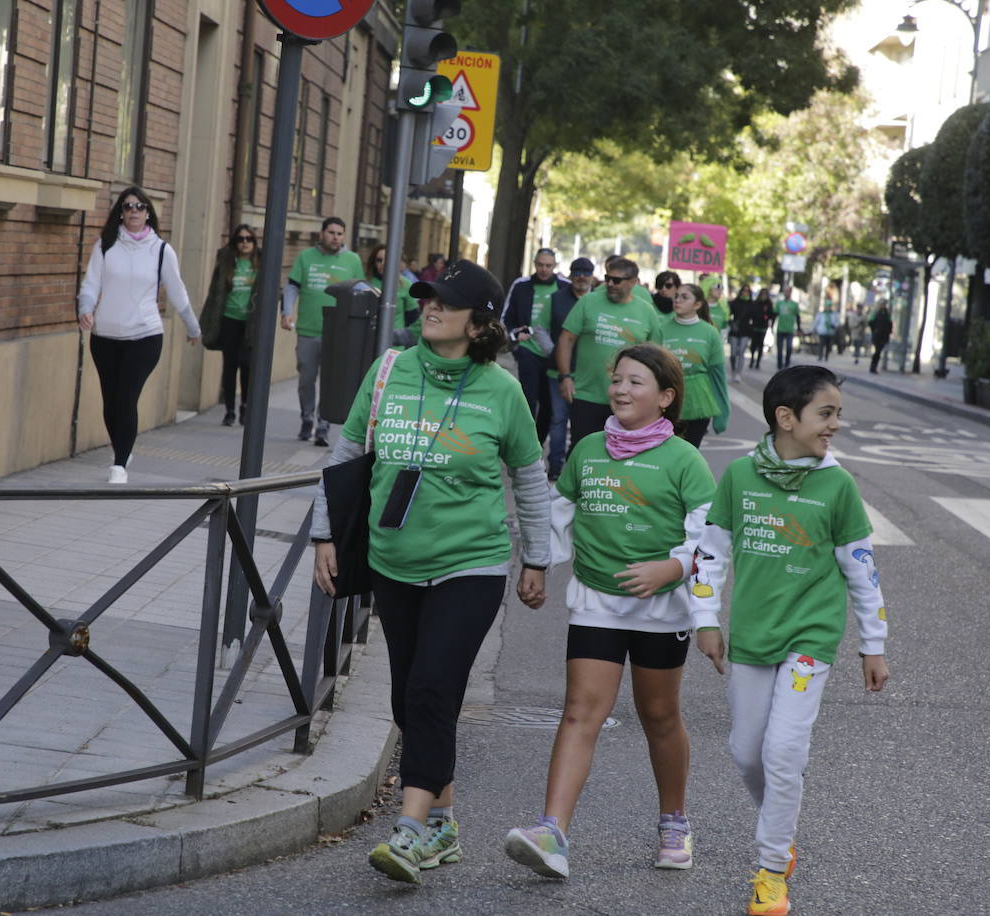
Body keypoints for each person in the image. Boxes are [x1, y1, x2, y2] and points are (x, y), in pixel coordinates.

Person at [310, 259, 551, 886]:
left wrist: (538, 557)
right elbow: (347, 452)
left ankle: (410, 831)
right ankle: (443, 823)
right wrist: (323, 534)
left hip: (469, 562)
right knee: (405, 694)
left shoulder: (501, 388)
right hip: (394, 559)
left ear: (481, 324)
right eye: (426, 299)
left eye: (445, 302)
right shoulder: (390, 368)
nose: (429, 307)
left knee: (433, 690)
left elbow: (528, 474)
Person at [504, 343, 716, 880]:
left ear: (666, 398)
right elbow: (559, 515)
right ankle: (551, 831)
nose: (621, 389)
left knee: (659, 716)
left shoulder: (686, 460)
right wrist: (538, 564)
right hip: (596, 602)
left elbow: (711, 541)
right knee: (579, 712)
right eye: (617, 379)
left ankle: (673, 821)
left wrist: (671, 570)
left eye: (636, 382)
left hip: (660, 611)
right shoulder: (589, 449)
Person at [689, 365, 889, 916]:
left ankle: (772, 869)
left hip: (812, 637)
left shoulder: (838, 484)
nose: (836, 425)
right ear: (785, 418)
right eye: (826, 414)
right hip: (753, 636)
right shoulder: (739, 477)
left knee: (782, 751)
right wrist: (705, 618)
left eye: (836, 414)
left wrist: (873, 642)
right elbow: (712, 551)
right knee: (746, 752)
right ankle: (780, 824)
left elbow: (862, 569)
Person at [77, 186, 200, 484]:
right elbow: (91, 282)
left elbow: (177, 290)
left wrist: (192, 325)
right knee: (111, 399)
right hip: (105, 336)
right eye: (129, 206)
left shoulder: (160, 250)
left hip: (145, 336)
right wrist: (86, 307)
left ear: (148, 213)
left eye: (140, 207)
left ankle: (119, 464)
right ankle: (123, 445)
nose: (134, 211)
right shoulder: (105, 245)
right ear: (121, 211)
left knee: (127, 397)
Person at [555, 257, 664, 448]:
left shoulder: (646, 312)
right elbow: (566, 338)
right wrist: (565, 376)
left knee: (623, 450)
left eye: (617, 280)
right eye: (608, 278)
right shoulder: (589, 301)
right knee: (582, 449)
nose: (610, 284)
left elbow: (656, 358)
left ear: (633, 282)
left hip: (629, 398)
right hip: (587, 394)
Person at [281, 216, 365, 447]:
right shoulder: (305, 257)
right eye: (331, 232)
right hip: (308, 329)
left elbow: (360, 292)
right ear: (322, 233)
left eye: (339, 234)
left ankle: (323, 426)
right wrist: (286, 312)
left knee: (329, 381)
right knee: (306, 378)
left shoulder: (352, 260)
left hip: (338, 333)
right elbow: (292, 287)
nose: (335, 237)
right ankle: (307, 418)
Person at [503, 248, 569, 442]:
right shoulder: (521, 285)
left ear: (555, 266)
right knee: (528, 400)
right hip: (528, 350)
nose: (544, 269)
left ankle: (538, 442)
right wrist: (515, 334)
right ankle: (526, 442)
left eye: (548, 265)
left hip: (554, 354)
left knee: (548, 405)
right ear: (534, 264)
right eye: (540, 265)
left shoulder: (565, 286)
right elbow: (507, 316)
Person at [199, 224, 260, 426]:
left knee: (247, 365)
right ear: (235, 242)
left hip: (250, 323)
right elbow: (214, 293)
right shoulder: (226, 263)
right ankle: (230, 411)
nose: (244, 243)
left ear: (254, 242)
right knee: (230, 365)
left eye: (248, 239)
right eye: (240, 239)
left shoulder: (260, 263)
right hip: (229, 319)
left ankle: (245, 405)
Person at [542, 258, 594, 480]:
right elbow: (539, 328)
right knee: (559, 419)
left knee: (583, 423)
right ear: (570, 274)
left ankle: (578, 469)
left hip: (588, 375)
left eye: (586, 272)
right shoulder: (555, 299)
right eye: (577, 271)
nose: (581, 276)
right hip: (558, 373)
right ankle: (555, 468)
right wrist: (554, 351)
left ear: (592, 275)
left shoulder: (598, 301)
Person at [659, 283, 729, 448]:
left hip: (699, 402)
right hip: (667, 400)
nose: (677, 300)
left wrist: (723, 413)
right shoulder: (661, 328)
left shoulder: (710, 332)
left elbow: (718, 376)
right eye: (676, 296)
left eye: (684, 297)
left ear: (697, 304)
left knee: (690, 451)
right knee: (666, 450)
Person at [364, 244, 421, 345]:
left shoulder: (405, 284)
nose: (383, 264)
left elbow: (413, 320)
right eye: (379, 260)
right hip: (367, 344)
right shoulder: (366, 283)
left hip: (395, 347)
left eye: (387, 259)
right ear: (373, 262)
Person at [728, 284, 757, 383]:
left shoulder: (752, 304)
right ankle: (733, 370)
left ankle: (738, 373)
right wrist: (731, 323)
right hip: (735, 331)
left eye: (747, 291)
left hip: (745, 331)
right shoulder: (734, 303)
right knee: (732, 353)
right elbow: (728, 315)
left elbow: (754, 319)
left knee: (741, 352)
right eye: (743, 291)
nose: (745, 292)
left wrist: (752, 330)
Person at [772, 289, 801, 370]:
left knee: (789, 347)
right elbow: (775, 315)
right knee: (780, 348)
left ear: (790, 293)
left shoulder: (794, 304)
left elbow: (798, 317)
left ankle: (787, 362)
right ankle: (779, 364)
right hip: (780, 329)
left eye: (788, 291)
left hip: (790, 330)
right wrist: (772, 325)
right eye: (785, 291)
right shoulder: (779, 303)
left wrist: (798, 328)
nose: (786, 293)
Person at [748, 288, 773, 370]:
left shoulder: (769, 304)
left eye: (765, 294)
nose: (764, 296)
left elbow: (771, 315)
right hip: (755, 326)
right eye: (762, 294)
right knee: (753, 344)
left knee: (761, 344)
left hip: (763, 327)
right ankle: (752, 359)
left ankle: (758, 362)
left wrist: (766, 315)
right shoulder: (756, 303)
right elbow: (752, 313)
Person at [868, 304, 893, 374]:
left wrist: (888, 332)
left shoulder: (887, 314)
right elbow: (870, 322)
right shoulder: (876, 313)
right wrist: (875, 330)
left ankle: (874, 366)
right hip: (877, 335)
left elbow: (890, 324)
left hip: (883, 336)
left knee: (878, 352)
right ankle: (873, 366)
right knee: (877, 352)